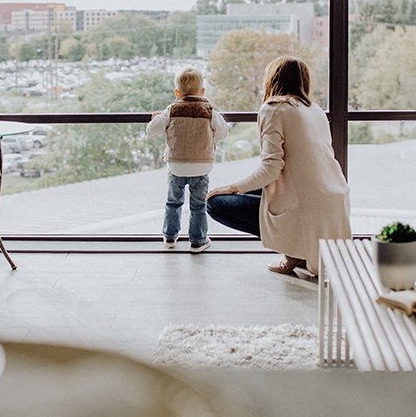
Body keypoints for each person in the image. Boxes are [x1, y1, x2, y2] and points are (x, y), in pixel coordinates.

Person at [206, 56, 350, 275]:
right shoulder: (315, 110)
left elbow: (271, 168)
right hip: (332, 199)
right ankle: (300, 251)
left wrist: (230, 187)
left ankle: (294, 253)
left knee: (216, 203)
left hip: (306, 204)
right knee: (259, 192)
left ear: (273, 79)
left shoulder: (274, 109)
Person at [147, 67, 229, 253]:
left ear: (177, 93)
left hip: (176, 165)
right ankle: (198, 241)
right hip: (201, 165)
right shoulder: (209, 110)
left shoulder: (172, 109)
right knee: (198, 205)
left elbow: (152, 132)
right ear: (202, 92)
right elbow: (223, 132)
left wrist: (156, 118)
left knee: (173, 202)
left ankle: (169, 236)